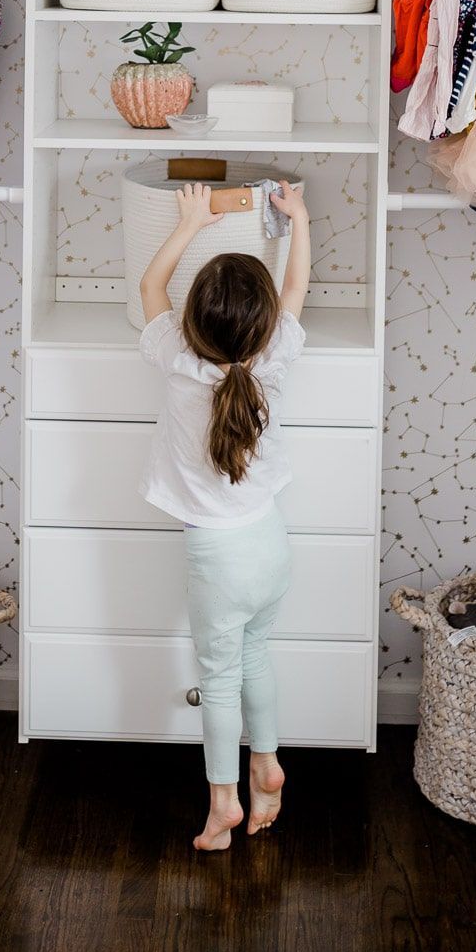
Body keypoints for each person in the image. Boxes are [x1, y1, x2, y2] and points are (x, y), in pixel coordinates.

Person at [138, 179, 311, 851]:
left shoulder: (177, 363)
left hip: (218, 558)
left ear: (191, 323)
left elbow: (151, 288)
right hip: (271, 546)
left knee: (218, 680)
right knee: (256, 657)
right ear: (264, 325)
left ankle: (223, 803)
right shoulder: (274, 361)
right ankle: (265, 765)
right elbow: (297, 286)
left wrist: (190, 222)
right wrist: (298, 219)